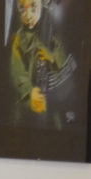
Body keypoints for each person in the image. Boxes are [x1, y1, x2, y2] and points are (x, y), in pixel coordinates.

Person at [8, 0, 77, 129]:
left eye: (33, 8)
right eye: (22, 9)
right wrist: (29, 91)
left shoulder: (49, 28)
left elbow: (60, 52)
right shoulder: (19, 38)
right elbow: (17, 70)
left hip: (49, 98)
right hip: (27, 99)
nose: (28, 15)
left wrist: (51, 57)